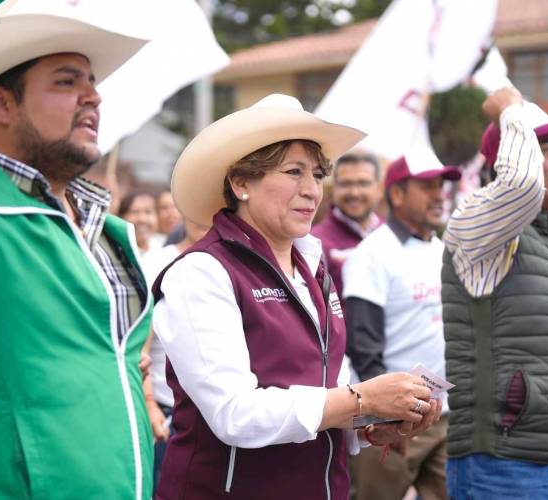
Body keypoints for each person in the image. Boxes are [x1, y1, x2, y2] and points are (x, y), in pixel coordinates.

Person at [0, 2, 154, 498]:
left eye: (92, 81)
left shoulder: (108, 230)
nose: (93, 96)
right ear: (1, 105)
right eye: (66, 81)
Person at [151, 94, 442, 499]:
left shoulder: (312, 268)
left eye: (318, 175)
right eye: (293, 172)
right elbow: (235, 414)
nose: (311, 190)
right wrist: (360, 400)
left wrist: (375, 419)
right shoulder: (201, 271)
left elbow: (327, 388)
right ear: (240, 183)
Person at [442, 87, 548, 499]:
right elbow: (520, 184)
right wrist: (509, 109)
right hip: (505, 465)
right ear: (510, 155)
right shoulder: (475, 222)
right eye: (544, 147)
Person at [343, 152, 460, 500]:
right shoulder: (373, 253)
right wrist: (386, 418)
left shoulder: (441, 250)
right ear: (396, 195)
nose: (439, 194)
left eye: (441, 185)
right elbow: (362, 343)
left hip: (440, 414)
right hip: (390, 418)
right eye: (427, 186)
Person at [141, 218, 210, 494]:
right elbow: (138, 346)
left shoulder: (241, 259)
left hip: (227, 423)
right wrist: (149, 405)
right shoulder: (157, 263)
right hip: (171, 417)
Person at [311, 153, 382, 295]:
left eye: (363, 183)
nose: (354, 193)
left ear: (379, 188)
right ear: (334, 187)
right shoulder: (314, 242)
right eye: (346, 184)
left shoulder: (392, 235)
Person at [119, 189, 161, 254]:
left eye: (148, 211)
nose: (142, 219)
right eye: (135, 212)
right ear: (121, 217)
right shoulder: (117, 253)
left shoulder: (164, 249)